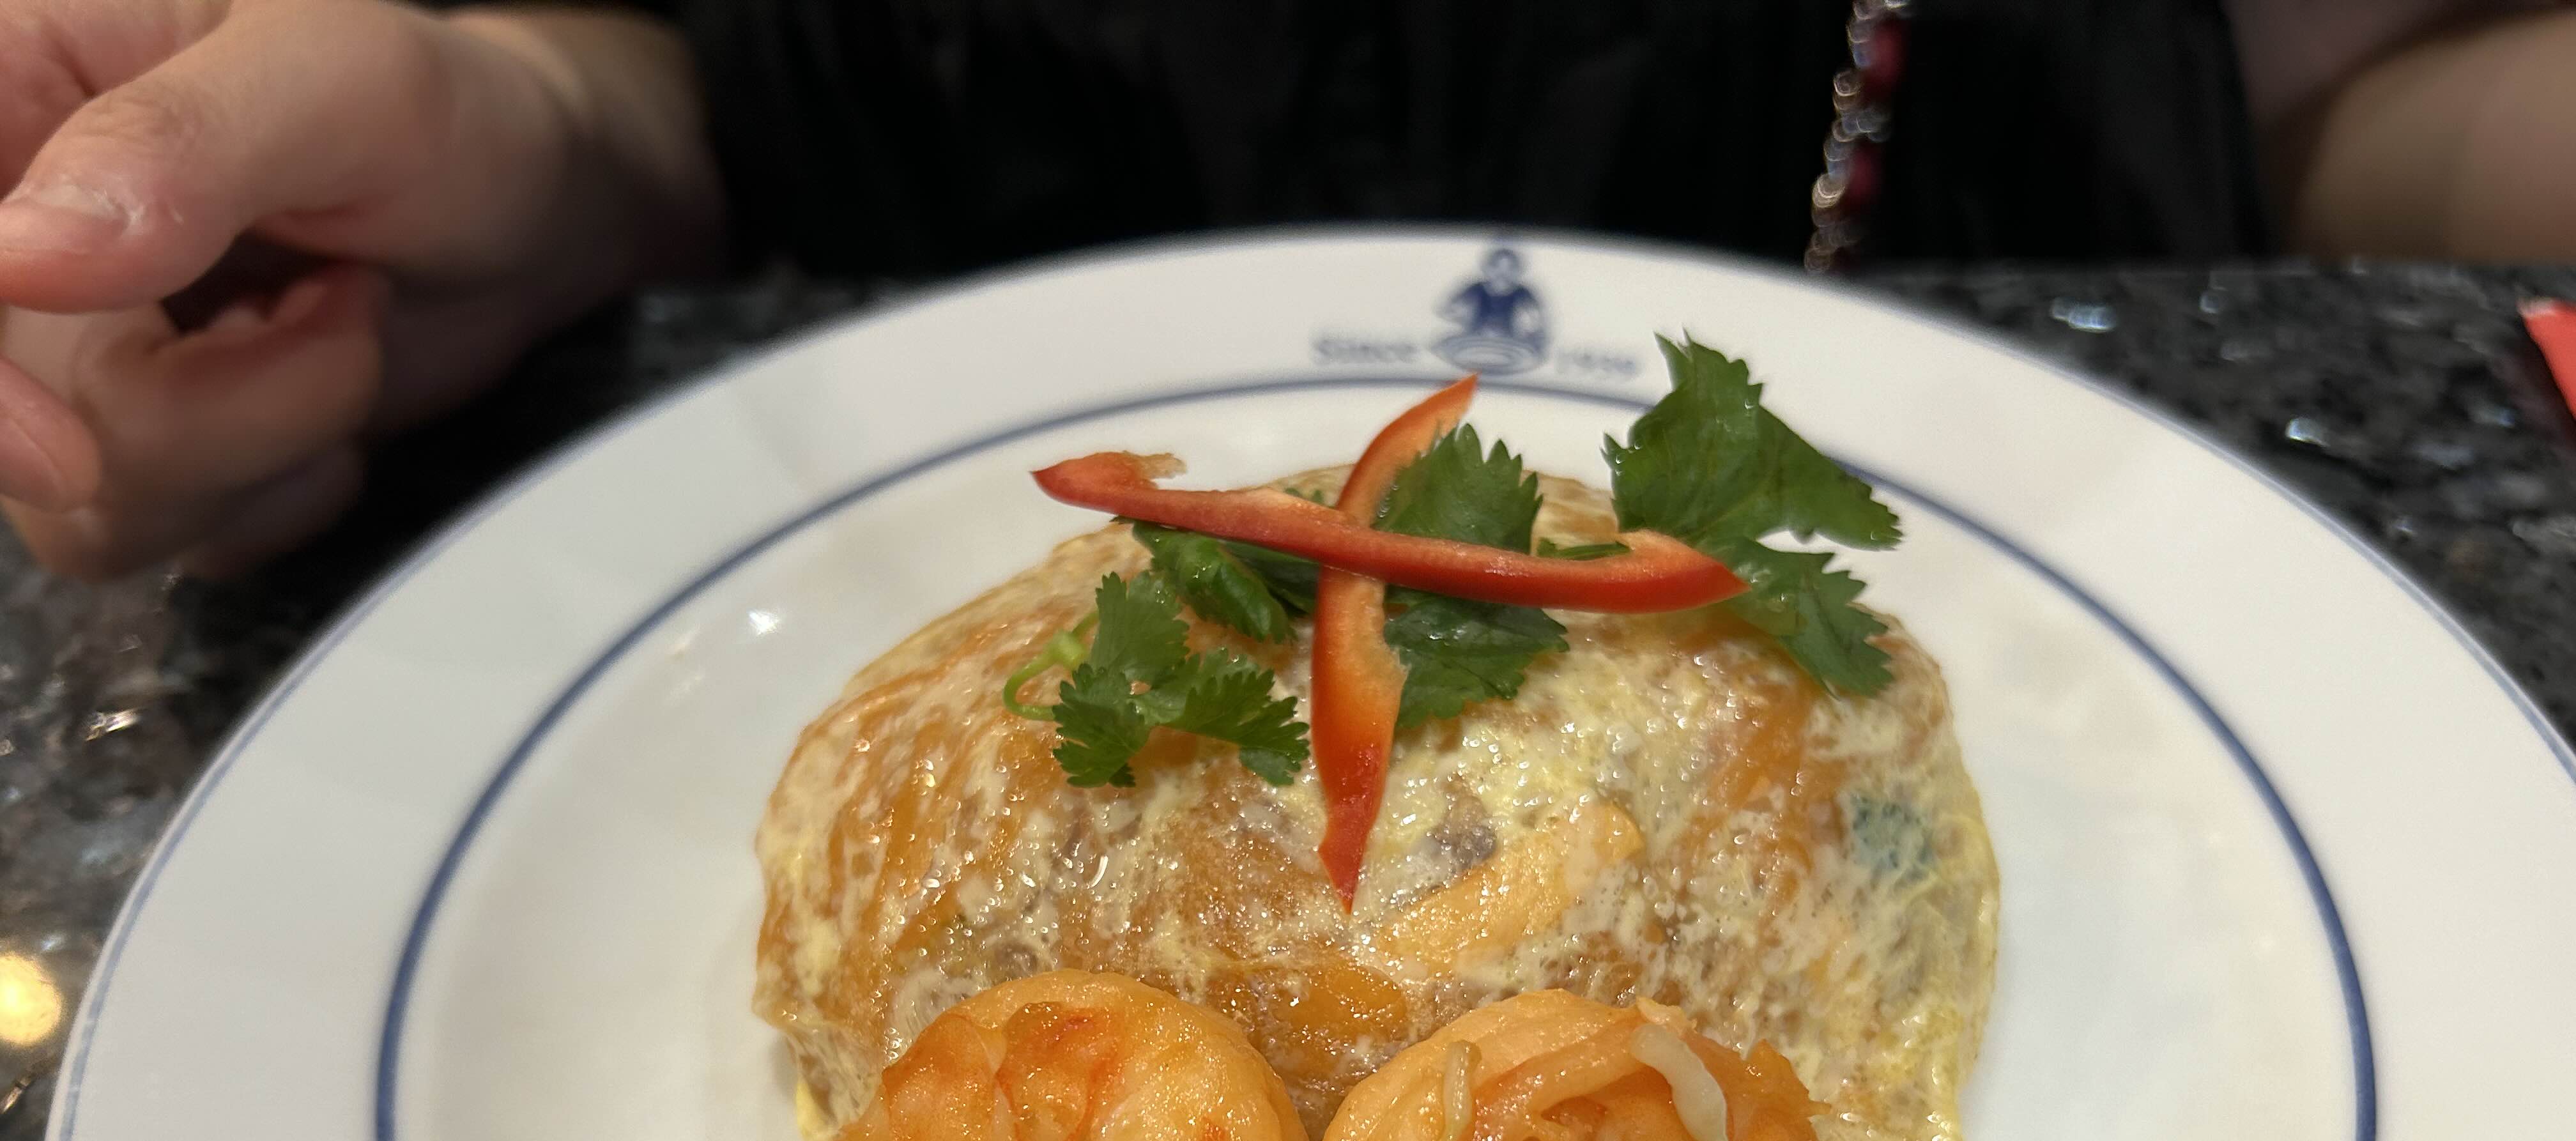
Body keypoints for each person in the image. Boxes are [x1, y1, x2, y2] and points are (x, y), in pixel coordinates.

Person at [0, 0, 2566, 581]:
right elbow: (683, 92)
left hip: (2052, 492)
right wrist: (517, 143)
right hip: (851, 526)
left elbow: (2326, 98)